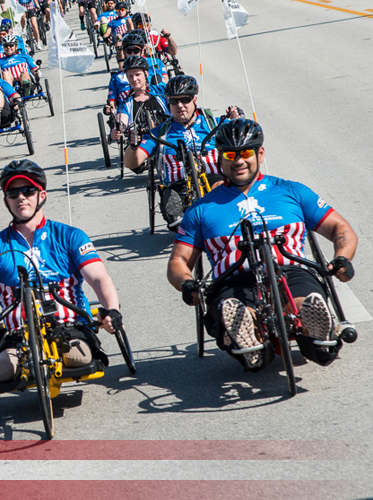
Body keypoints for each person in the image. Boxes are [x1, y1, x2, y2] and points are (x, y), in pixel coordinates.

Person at [168, 119, 360, 370]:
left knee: (305, 302)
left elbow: (340, 228)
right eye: (230, 154)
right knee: (233, 310)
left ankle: (316, 335)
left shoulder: (292, 191)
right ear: (221, 159)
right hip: (233, 279)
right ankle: (249, 339)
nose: (238, 161)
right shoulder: (200, 209)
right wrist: (187, 284)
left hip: (291, 271)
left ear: (260, 153)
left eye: (245, 153)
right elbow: (178, 260)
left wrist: (342, 258)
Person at [0, 161, 125, 392]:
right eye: (12, 192)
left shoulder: (71, 236)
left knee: (79, 360)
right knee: (1, 374)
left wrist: (112, 310)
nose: (21, 197)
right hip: (18, 336)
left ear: (42, 195)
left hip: (68, 326)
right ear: (5, 200)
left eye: (28, 191)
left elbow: (99, 278)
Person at [125, 76, 242, 229]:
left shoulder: (213, 122)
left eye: (185, 99)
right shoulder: (159, 132)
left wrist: (238, 121)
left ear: (194, 99)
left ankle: (219, 216)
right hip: (177, 184)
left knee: (222, 186)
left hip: (213, 177)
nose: (179, 105)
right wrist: (133, 146)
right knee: (174, 213)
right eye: (173, 101)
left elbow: (246, 138)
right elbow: (132, 163)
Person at [113, 57, 168, 167]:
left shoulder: (160, 91)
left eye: (138, 75)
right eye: (130, 76)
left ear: (146, 74)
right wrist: (118, 128)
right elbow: (122, 118)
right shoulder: (127, 102)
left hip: (165, 135)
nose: (134, 79)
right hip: (141, 140)